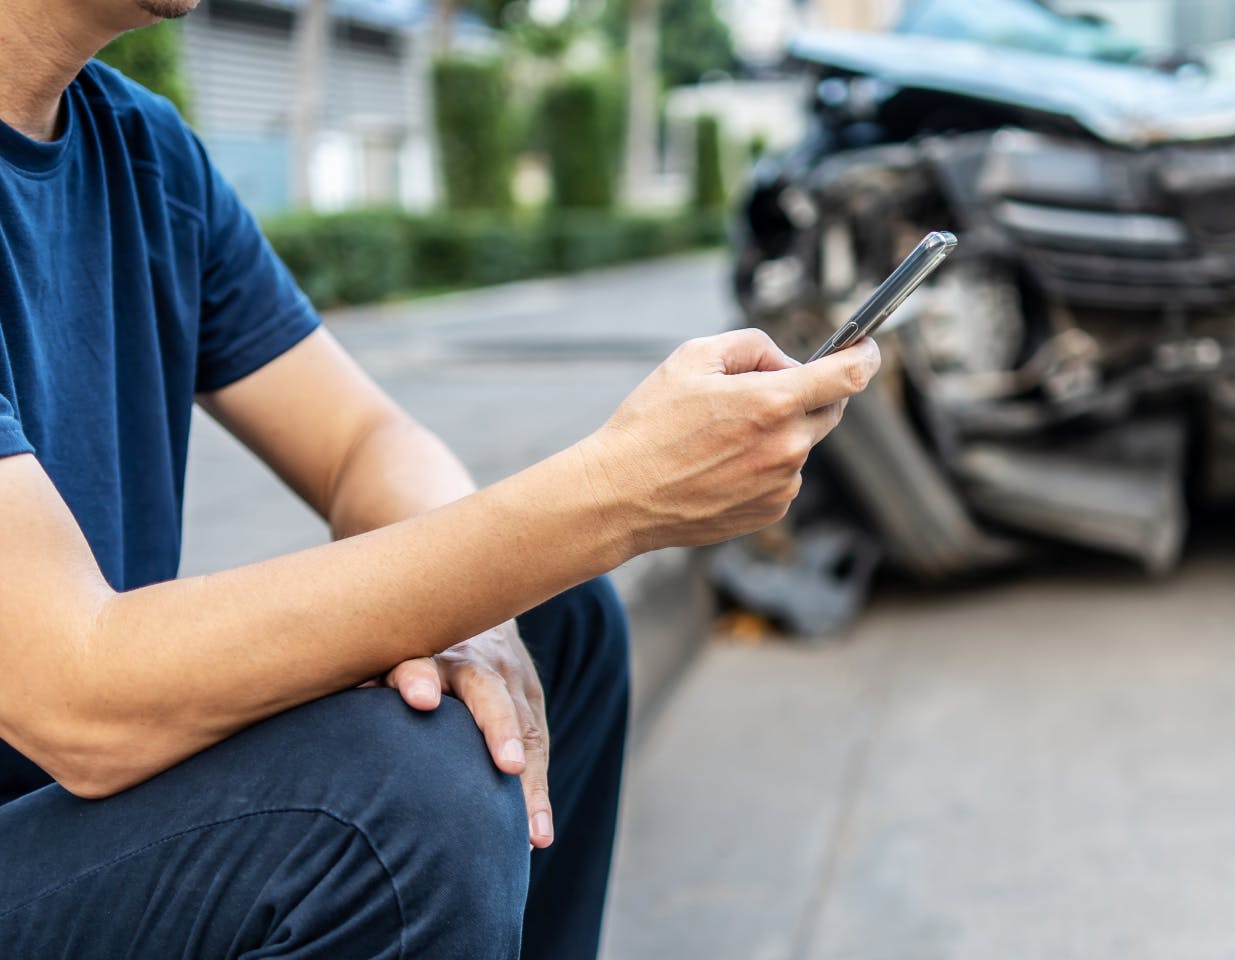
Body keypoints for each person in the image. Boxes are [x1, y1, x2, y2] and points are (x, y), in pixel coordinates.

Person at [0, 1, 882, 957]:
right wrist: (616, 497)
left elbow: (362, 442)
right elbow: (79, 694)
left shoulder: (141, 153)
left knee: (554, 623)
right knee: (398, 807)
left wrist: (474, 613)